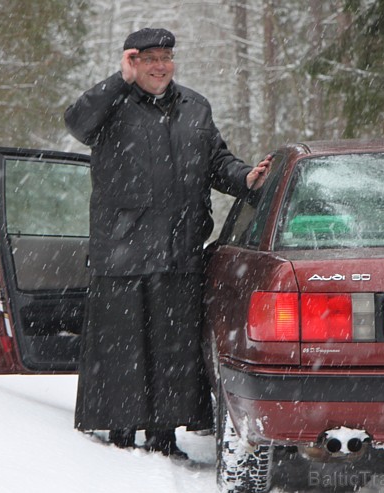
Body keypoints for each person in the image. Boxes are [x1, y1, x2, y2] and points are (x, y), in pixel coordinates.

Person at [64, 27, 271, 460]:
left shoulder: (195, 107)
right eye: (149, 58)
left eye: (166, 57)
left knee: (170, 350)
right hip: (122, 251)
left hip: (179, 251)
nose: (160, 66)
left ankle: (163, 436)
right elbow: (77, 122)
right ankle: (120, 436)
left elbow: (217, 161)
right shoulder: (110, 106)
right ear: (132, 63)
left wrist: (246, 177)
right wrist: (116, 80)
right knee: (123, 350)